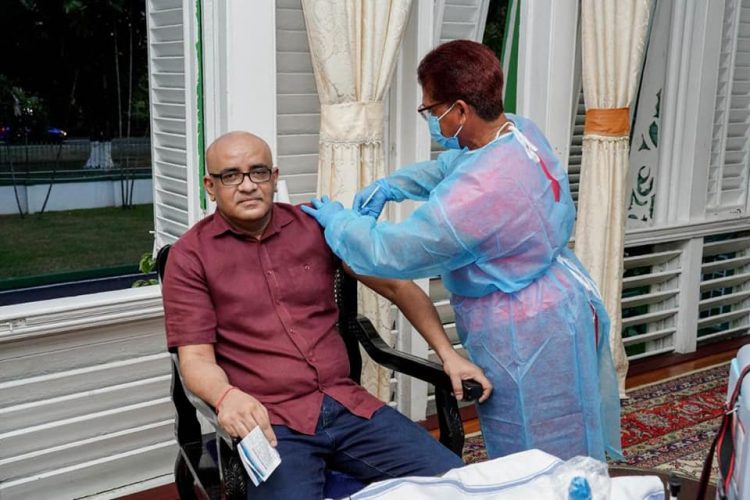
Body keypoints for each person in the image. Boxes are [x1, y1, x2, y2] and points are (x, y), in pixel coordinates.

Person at [302, 40, 622, 462]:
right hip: (560, 299)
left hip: (523, 330)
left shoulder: (477, 195)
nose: (431, 120)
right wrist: (393, 184)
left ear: (460, 110)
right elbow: (451, 166)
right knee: (570, 420)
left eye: (432, 112)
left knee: (530, 445)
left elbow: (390, 251)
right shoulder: (518, 132)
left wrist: (342, 223)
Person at [161, 131, 492, 500]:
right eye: (231, 175)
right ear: (211, 185)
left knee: (458, 485)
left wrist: (449, 356)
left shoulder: (317, 227)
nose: (247, 185)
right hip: (273, 423)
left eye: (258, 172)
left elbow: (399, 288)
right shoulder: (190, 257)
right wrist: (225, 396)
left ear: (274, 177)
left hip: (348, 407)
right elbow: (195, 359)